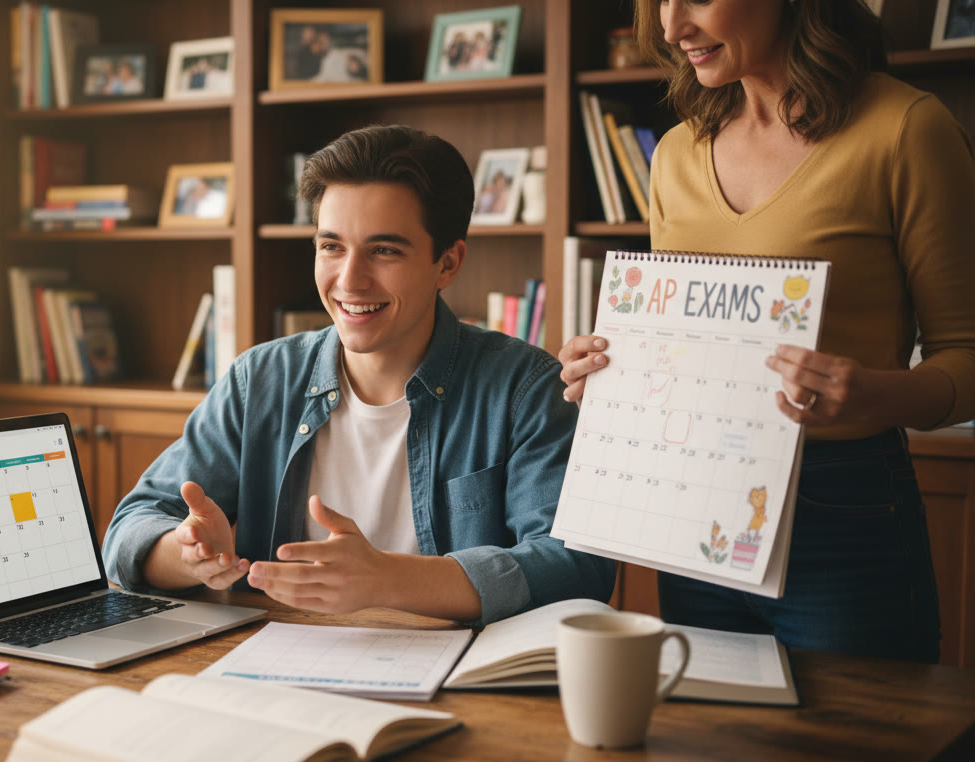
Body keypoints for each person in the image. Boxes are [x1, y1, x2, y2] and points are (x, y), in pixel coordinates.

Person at [556, 0, 975, 663]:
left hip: (843, 512)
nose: (670, 29)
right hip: (693, 509)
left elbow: (967, 355)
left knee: (852, 744)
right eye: (660, 2)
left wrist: (876, 394)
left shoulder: (906, 130)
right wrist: (610, 374)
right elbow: (681, 347)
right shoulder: (674, 154)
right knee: (712, 747)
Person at [103, 125, 614, 624]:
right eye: (331, 247)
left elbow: (576, 566)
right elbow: (130, 529)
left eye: (384, 250)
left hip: (461, 683)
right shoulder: (259, 380)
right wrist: (185, 552)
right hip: (275, 670)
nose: (350, 280)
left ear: (448, 263)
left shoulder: (523, 388)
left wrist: (389, 580)